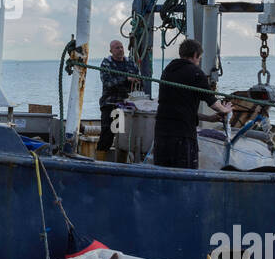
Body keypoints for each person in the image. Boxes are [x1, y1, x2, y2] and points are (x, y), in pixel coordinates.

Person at [154, 38, 232, 169]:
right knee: (185, 176)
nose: (199, 61)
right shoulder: (195, 73)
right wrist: (225, 110)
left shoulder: (168, 71)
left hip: (161, 134)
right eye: (199, 58)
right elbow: (212, 102)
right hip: (182, 136)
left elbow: (179, 107)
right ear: (195, 55)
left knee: (163, 175)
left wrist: (208, 118)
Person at [96, 40, 140, 159]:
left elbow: (140, 80)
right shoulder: (106, 64)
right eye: (117, 48)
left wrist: (138, 81)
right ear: (111, 51)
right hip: (110, 104)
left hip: (126, 106)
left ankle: (121, 164)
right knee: (107, 135)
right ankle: (99, 163)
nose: (120, 49)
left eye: (121, 47)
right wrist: (126, 79)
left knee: (124, 138)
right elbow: (108, 82)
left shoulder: (131, 64)